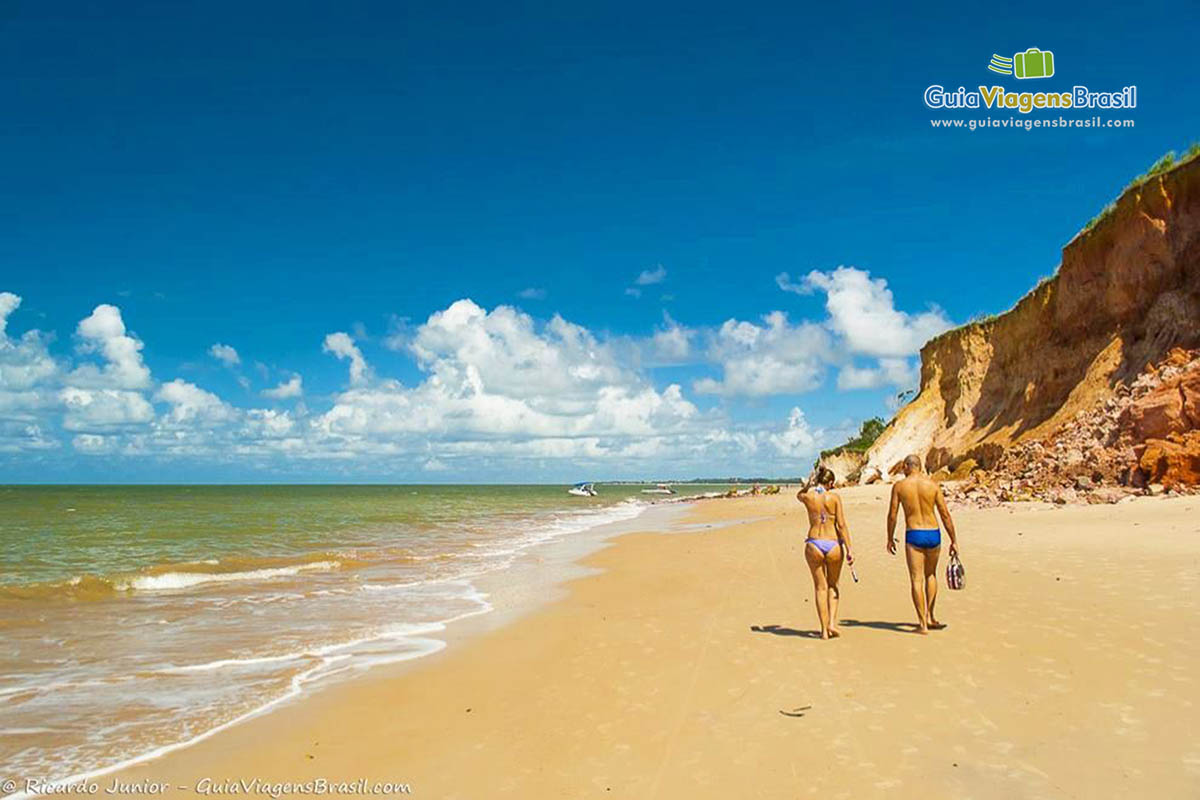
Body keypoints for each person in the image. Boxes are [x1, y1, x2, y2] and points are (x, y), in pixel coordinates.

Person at [886, 454, 960, 634]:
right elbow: (945, 514)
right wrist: (954, 540)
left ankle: (922, 624)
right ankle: (930, 616)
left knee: (916, 579)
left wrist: (890, 537)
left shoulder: (900, 487)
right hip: (933, 533)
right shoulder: (932, 485)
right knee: (931, 575)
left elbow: (893, 515)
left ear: (906, 466)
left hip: (914, 534)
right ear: (919, 466)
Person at [797, 467, 854, 639]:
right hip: (833, 543)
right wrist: (850, 549)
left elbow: (799, 495)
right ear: (830, 483)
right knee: (833, 585)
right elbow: (841, 525)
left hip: (814, 543)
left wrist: (809, 484)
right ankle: (831, 624)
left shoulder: (809, 497)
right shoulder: (834, 498)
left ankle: (823, 631)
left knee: (820, 588)